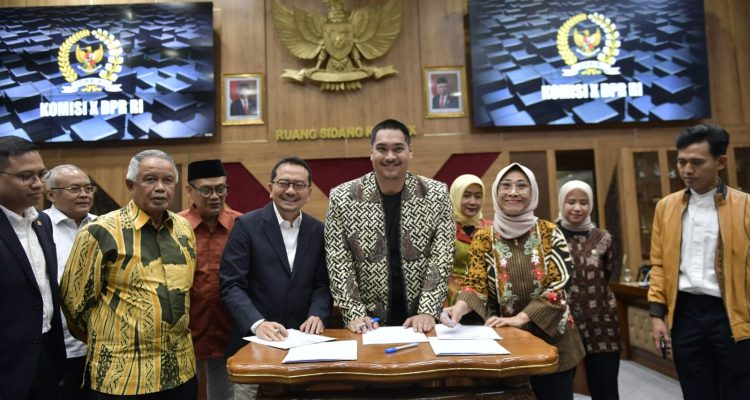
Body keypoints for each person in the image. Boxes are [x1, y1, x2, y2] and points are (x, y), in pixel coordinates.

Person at [61, 149, 198, 398]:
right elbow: (73, 304)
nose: (160, 188)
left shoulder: (183, 228)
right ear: (130, 185)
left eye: (168, 180)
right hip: (123, 376)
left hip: (180, 371)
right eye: (150, 179)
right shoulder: (100, 231)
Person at [441, 163, 584, 400]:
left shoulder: (550, 232)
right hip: (505, 343)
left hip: (554, 342)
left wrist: (521, 318)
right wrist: (460, 306)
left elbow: (561, 285)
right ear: (496, 192)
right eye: (506, 186)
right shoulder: (484, 238)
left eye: (521, 186)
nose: (513, 192)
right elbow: (475, 283)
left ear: (532, 192)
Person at [648, 124, 750, 400]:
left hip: (732, 315)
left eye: (696, 162)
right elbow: (658, 264)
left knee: (741, 391)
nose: (687, 170)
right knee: (696, 392)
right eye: (681, 162)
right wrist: (657, 315)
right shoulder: (665, 207)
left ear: (721, 162)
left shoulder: (745, 207)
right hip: (686, 314)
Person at [325, 118, 455, 333]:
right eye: (382, 149)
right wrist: (354, 313)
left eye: (398, 149)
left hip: (421, 320)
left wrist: (427, 310)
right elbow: (338, 260)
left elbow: (442, 256)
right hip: (368, 322)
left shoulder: (437, 195)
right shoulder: (343, 198)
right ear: (371, 153)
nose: (390, 156)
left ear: (410, 151)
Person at [220, 156, 331, 348]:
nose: (290, 191)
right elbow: (231, 284)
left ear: (309, 192)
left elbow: (323, 284)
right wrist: (257, 323)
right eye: (283, 183)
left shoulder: (318, 230)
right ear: (271, 188)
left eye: (299, 185)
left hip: (305, 339)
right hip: (256, 340)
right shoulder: (246, 226)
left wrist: (317, 313)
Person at [0, 136, 66, 400]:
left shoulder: (42, 222)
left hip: (46, 359)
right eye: (26, 176)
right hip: (7, 366)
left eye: (42, 174)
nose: (38, 184)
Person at [178, 160, 242, 400]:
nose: (215, 196)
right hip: (185, 328)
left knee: (226, 394)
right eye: (206, 190)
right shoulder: (174, 226)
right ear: (189, 191)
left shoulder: (241, 224)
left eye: (221, 189)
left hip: (229, 326)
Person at [556, 180, 620, 400]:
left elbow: (608, 272)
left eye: (583, 202)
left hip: (601, 322)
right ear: (561, 203)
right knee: (559, 389)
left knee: (605, 387)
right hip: (562, 321)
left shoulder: (603, 237)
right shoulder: (550, 235)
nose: (577, 208)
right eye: (571, 202)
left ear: (590, 205)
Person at [43, 164, 97, 400]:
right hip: (60, 346)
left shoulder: (103, 225)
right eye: (75, 189)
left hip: (101, 345)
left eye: (88, 188)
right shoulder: (39, 227)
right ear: (51, 194)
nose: (84, 194)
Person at [446, 174, 491, 307]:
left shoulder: (490, 229)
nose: (472, 202)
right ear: (456, 196)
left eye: (478, 196)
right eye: (466, 195)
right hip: (447, 297)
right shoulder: (443, 227)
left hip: (483, 298)